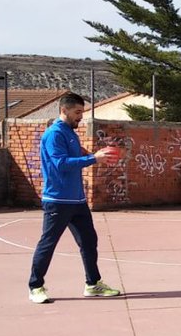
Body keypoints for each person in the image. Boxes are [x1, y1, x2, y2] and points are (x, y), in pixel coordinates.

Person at [27, 92, 121, 304]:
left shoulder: (70, 133)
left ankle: (93, 284)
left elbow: (76, 155)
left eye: (82, 112)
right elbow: (61, 163)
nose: (81, 116)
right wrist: (93, 158)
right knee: (48, 243)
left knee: (89, 241)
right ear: (64, 110)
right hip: (57, 200)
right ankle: (35, 286)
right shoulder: (54, 134)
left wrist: (93, 155)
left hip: (77, 201)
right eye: (77, 112)